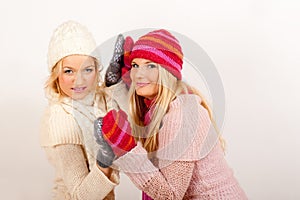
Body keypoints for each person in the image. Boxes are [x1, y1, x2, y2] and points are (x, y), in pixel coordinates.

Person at [94, 29, 248, 199]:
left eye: (151, 65)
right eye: (135, 66)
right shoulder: (164, 105)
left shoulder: (181, 115)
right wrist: (125, 86)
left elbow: (170, 195)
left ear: (167, 72)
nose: (138, 74)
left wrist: (126, 147)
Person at [40, 20, 127, 200]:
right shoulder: (61, 118)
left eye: (87, 70)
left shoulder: (98, 98)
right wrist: (104, 159)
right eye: (69, 71)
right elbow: (82, 195)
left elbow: (131, 119)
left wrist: (115, 84)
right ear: (56, 74)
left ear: (97, 69)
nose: (78, 81)